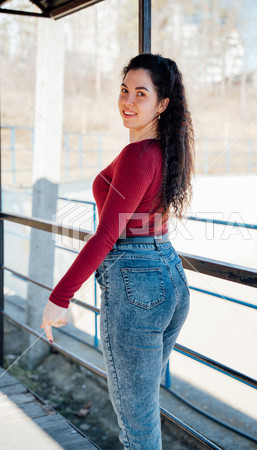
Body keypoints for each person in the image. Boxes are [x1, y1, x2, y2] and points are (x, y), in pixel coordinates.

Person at [41, 53, 195, 449]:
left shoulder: (138, 155)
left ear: (162, 104)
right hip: (170, 276)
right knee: (142, 411)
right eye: (124, 90)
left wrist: (60, 297)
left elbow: (106, 235)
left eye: (140, 93)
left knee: (137, 424)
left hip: (137, 287)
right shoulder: (163, 150)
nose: (127, 100)